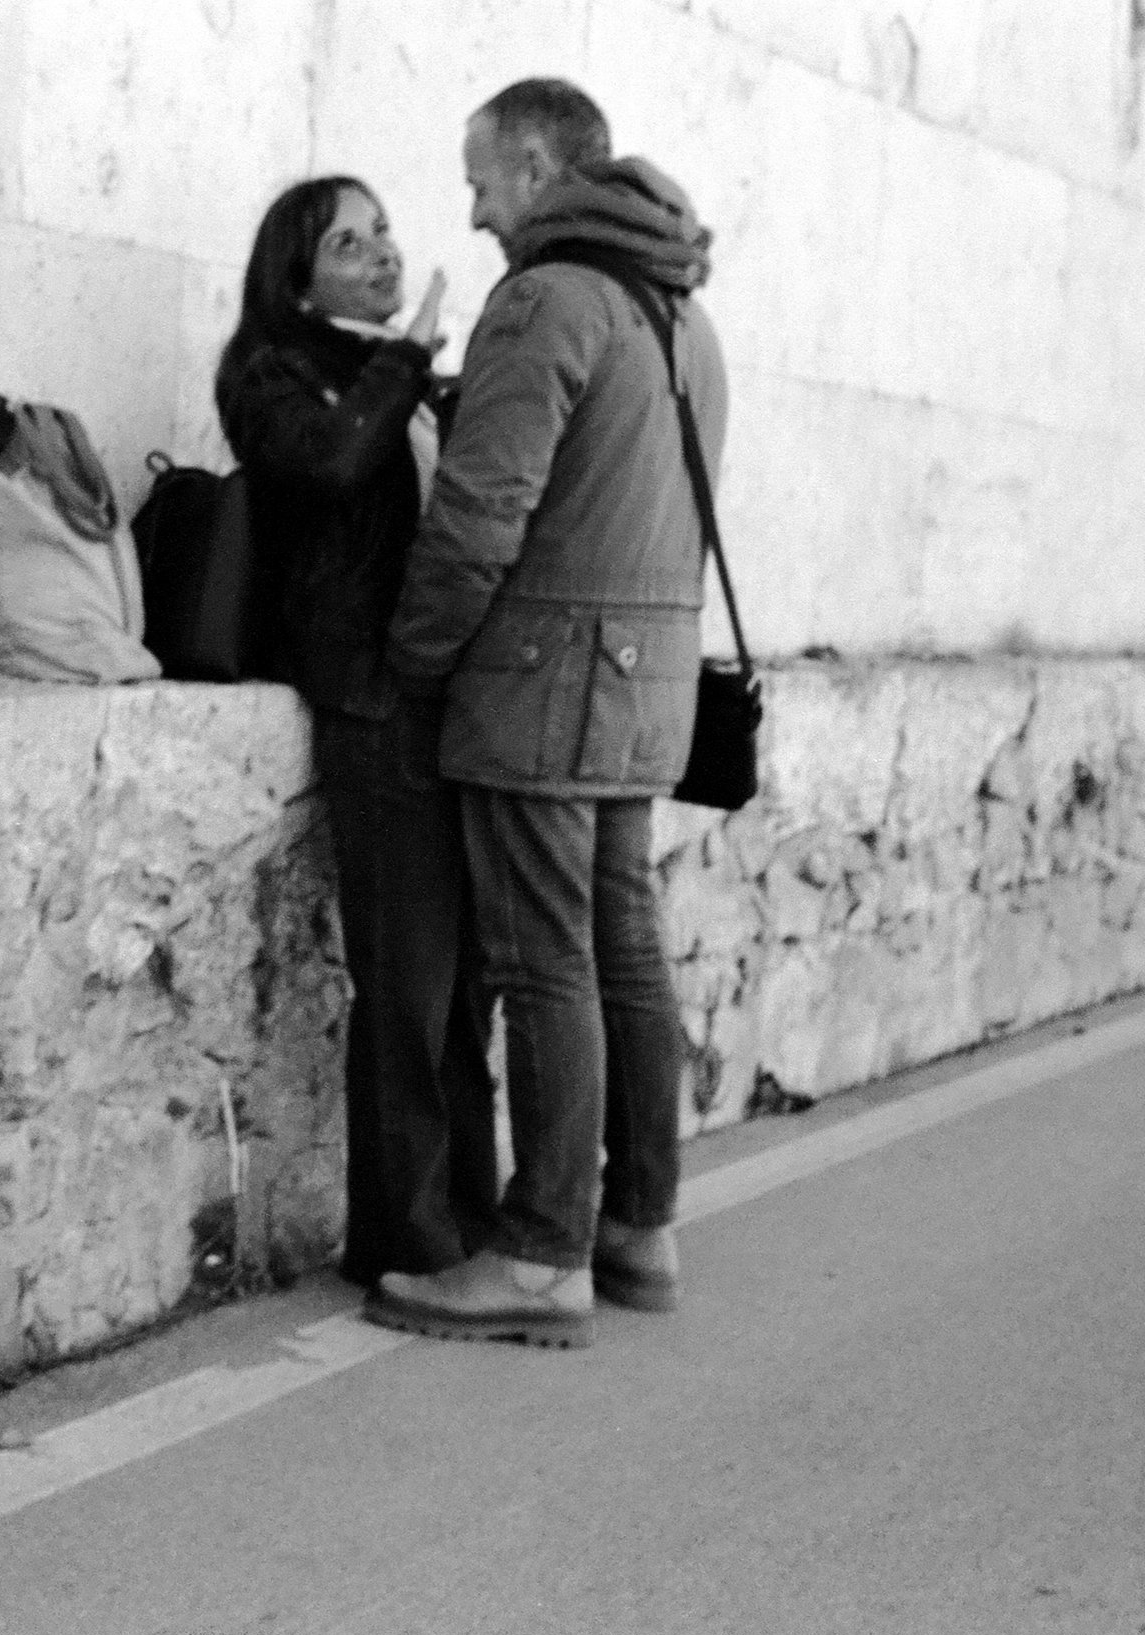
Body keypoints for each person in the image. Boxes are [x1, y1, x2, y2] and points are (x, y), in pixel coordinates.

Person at [369, 81, 727, 1349]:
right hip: (647, 684)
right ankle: (640, 1225)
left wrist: (414, 659)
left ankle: (537, 1256)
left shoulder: (543, 303)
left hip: (542, 685)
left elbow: (479, 519)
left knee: (543, 961)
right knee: (624, 950)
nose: (470, 215)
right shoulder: (681, 314)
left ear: (532, 167)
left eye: (478, 183)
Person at [215, 177, 497, 1287]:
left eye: (384, 231)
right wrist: (404, 361)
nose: (382, 254)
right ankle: (406, 1244)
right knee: (407, 978)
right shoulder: (272, 370)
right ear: (297, 274)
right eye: (349, 242)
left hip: (444, 697)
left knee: (466, 986)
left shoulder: (404, 382)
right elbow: (330, 463)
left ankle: (473, 1224)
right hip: (366, 697)